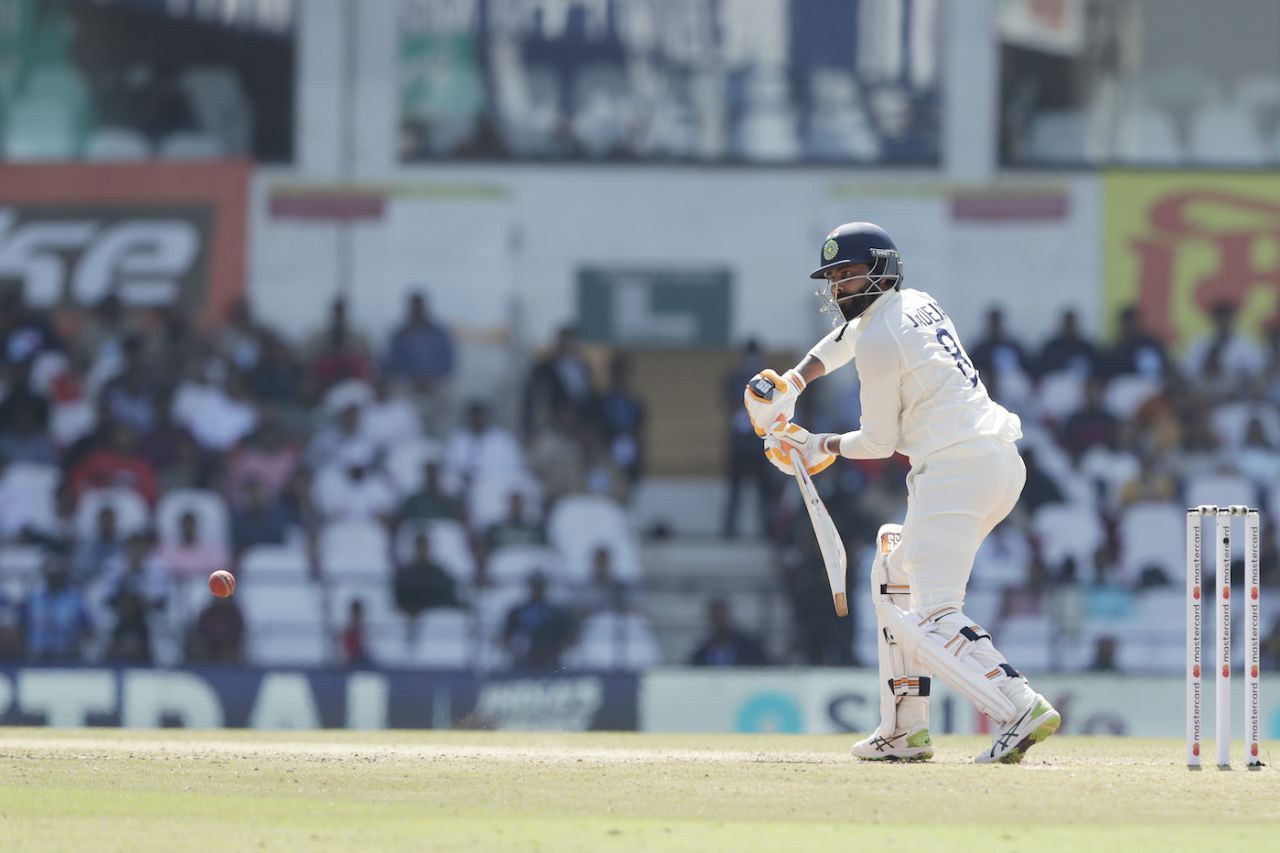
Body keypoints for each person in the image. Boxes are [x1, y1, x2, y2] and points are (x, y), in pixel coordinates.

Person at [743, 221, 1059, 764]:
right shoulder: (915, 303)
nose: (841, 286)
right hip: (993, 462)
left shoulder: (882, 338)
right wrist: (794, 382)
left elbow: (878, 442)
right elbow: (847, 339)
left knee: (935, 613)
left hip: (955, 470)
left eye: (850, 273)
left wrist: (816, 444)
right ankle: (903, 728)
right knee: (893, 573)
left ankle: (1018, 705)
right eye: (834, 277)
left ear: (883, 268)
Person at [502, 572, 575, 671]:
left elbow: (566, 637)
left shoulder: (556, 612)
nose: (537, 591)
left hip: (551, 659)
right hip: (523, 659)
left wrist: (552, 649)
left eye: (539, 587)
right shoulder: (517, 612)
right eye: (535, 587)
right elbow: (507, 636)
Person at [688, 599, 766, 666]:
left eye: (722, 617)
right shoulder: (702, 652)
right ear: (711, 620)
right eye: (716, 618)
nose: (720, 622)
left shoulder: (748, 648)